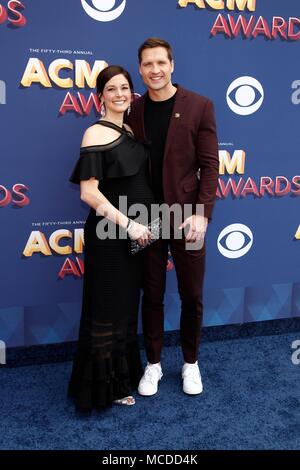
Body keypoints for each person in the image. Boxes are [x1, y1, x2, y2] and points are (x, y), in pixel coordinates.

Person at [126, 38, 219, 396]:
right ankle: (153, 365)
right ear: (140, 69)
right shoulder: (133, 110)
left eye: (161, 63)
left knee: (192, 294)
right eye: (147, 64)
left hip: (187, 217)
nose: (155, 70)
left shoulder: (199, 106)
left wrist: (202, 215)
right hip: (146, 217)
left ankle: (191, 364)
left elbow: (210, 167)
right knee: (151, 293)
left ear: (172, 64)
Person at [68, 65, 154, 411]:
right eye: (111, 89)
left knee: (125, 308)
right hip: (109, 236)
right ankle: (104, 389)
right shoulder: (94, 134)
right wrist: (130, 225)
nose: (120, 94)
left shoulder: (131, 129)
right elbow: (89, 194)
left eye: (125, 88)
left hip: (136, 237)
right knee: (105, 308)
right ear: (100, 96)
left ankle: (121, 377)